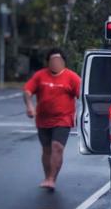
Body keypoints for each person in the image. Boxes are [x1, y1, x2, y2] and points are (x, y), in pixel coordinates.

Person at [23, 48, 81, 191]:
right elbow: (27, 91)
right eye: (53, 60)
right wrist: (30, 106)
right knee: (47, 149)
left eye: (59, 60)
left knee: (57, 147)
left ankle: (51, 179)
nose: (56, 63)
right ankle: (47, 176)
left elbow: (83, 95)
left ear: (63, 62)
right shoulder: (40, 76)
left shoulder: (72, 77)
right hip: (43, 119)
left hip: (63, 119)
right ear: (48, 62)